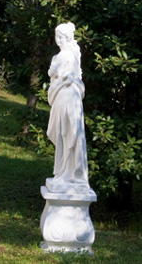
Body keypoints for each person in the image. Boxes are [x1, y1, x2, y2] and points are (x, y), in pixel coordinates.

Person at [46, 22, 89, 187]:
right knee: (62, 132)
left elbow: (56, 73)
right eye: (57, 36)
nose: (58, 40)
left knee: (69, 131)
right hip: (61, 96)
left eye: (61, 37)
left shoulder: (68, 56)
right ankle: (64, 171)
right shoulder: (60, 56)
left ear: (68, 37)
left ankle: (69, 172)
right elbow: (52, 73)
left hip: (69, 96)